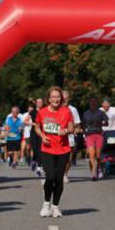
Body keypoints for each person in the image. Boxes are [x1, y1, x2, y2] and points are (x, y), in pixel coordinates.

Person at [35, 87, 74, 218]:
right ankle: (46, 204)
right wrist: (42, 136)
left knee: (59, 180)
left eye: (58, 97)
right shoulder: (42, 112)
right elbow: (37, 127)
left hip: (63, 149)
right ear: (48, 99)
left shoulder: (66, 111)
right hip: (48, 149)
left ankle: (55, 207)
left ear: (61, 98)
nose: (56, 99)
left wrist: (66, 131)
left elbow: (72, 127)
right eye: (53, 97)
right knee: (50, 177)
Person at [82, 97, 109, 180]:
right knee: (91, 154)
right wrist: (84, 133)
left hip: (98, 135)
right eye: (91, 102)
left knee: (98, 156)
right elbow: (83, 125)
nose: (93, 104)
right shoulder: (86, 113)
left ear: (97, 104)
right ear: (89, 104)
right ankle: (93, 173)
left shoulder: (101, 113)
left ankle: (99, 168)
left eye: (94, 102)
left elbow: (106, 123)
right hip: (89, 135)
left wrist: (100, 124)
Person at [63, 90, 82, 182]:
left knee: (68, 159)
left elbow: (78, 124)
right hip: (56, 136)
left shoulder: (73, 109)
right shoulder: (55, 108)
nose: (64, 100)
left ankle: (65, 174)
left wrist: (75, 128)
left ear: (69, 99)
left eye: (66, 98)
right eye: (63, 98)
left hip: (69, 136)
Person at [20, 102, 34, 169]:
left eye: (32, 109)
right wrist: (22, 129)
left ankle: (31, 160)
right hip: (26, 133)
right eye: (29, 109)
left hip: (33, 133)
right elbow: (22, 124)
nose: (30, 110)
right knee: (27, 148)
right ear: (28, 109)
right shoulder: (24, 115)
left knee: (31, 148)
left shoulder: (35, 114)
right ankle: (27, 158)